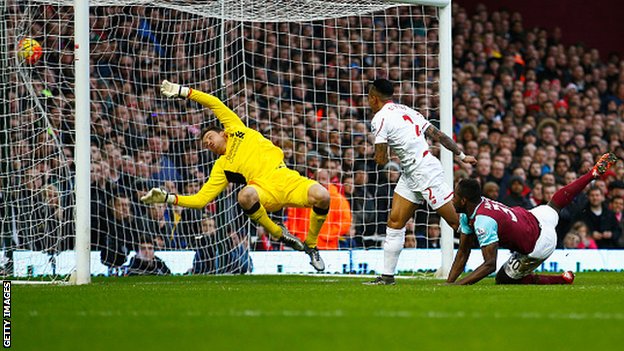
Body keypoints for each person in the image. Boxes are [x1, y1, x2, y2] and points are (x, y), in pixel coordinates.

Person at [141, 80, 330, 271]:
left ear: (222, 133)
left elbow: (214, 102)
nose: (208, 144)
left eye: (209, 138)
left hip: (286, 179)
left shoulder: (235, 128)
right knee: (245, 195)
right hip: (263, 191)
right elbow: (200, 200)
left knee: (323, 196)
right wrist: (168, 198)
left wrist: (184, 91)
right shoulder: (221, 167)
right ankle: (277, 232)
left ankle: (311, 246)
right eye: (205, 145)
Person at [364, 79, 477, 285]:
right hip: (411, 173)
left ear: (373, 97)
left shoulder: (379, 119)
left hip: (425, 173)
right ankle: (387, 277)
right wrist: (461, 155)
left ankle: (493, 255)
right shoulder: (407, 110)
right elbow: (438, 134)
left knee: (458, 223)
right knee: (395, 223)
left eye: (368, 98)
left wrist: (373, 157)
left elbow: (381, 159)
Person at [447, 153, 617, 285]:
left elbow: (490, 265)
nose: (451, 199)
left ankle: (561, 279)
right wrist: (449, 283)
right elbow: (463, 251)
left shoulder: (483, 221)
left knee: (504, 278)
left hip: (540, 243)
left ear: (464, 201)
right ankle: (591, 174)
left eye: (455, 196)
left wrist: (460, 285)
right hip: (535, 216)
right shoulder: (471, 210)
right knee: (555, 204)